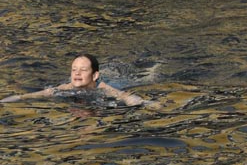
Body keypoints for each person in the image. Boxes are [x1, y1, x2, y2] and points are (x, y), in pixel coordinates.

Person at [1, 54, 149, 107]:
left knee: (145, 76)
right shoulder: (65, 88)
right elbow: (29, 96)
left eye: (83, 70)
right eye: (74, 69)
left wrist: (144, 102)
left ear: (94, 76)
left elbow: (124, 95)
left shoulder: (103, 87)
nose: (77, 73)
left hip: (118, 80)